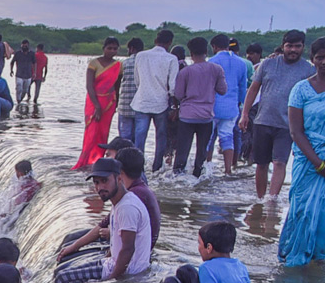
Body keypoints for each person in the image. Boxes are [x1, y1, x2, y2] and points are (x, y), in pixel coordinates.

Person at [54, 158, 152, 283]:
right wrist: (75, 247)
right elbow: (118, 241)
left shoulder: (127, 207)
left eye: (105, 181)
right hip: (112, 263)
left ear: (119, 178)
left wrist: (111, 281)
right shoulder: (120, 202)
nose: (100, 188)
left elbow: (128, 249)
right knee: (63, 269)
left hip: (129, 272)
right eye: (96, 183)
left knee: (63, 278)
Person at [241, 29, 314, 199]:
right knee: (261, 164)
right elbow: (253, 89)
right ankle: (260, 199)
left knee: (280, 162)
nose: (293, 50)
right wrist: (244, 114)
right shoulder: (268, 64)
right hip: (262, 121)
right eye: (289, 46)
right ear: (283, 46)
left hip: (288, 125)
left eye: (297, 46)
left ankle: (272, 201)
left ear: (303, 47)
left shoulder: (308, 70)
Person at [278, 36, 325, 265]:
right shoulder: (301, 89)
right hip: (308, 161)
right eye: (320, 58)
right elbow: (296, 132)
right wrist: (320, 163)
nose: (324, 62)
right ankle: (297, 259)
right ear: (312, 59)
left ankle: (319, 261)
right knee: (304, 211)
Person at [172, 37, 226, 176]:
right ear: (206, 51)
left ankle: (178, 176)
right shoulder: (216, 69)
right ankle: (197, 174)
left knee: (182, 150)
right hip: (206, 116)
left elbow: (178, 94)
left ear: (191, 52)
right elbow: (222, 90)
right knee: (202, 151)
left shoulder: (185, 72)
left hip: (187, 116)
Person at [130, 30, 181, 172]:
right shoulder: (171, 59)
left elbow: (137, 80)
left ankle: (137, 168)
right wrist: (175, 105)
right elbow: (173, 87)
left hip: (142, 101)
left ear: (155, 41)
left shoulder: (140, 55)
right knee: (161, 136)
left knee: (140, 136)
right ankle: (156, 167)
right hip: (161, 103)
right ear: (170, 42)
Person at [72, 38, 122, 170]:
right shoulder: (94, 63)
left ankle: (97, 162)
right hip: (94, 102)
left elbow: (117, 86)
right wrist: (97, 107)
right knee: (91, 132)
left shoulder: (118, 65)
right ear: (104, 48)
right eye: (109, 48)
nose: (112, 51)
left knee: (103, 133)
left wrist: (116, 103)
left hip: (109, 103)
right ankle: (84, 162)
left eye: (115, 49)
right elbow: (89, 86)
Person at [208, 34, 250, 175]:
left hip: (213, 106)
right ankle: (228, 170)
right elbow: (243, 88)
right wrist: (241, 107)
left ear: (214, 47)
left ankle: (206, 168)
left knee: (209, 139)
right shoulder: (241, 63)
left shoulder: (212, 61)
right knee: (227, 138)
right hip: (232, 107)